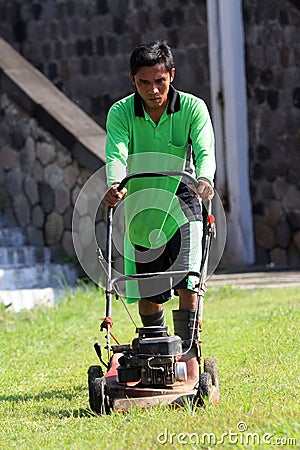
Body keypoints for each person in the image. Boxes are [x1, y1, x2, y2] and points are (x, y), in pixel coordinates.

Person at [104, 40, 215, 383]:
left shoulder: (193, 108)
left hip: (183, 200)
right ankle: (156, 353)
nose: (153, 90)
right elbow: (116, 153)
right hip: (142, 208)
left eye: (160, 81)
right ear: (132, 81)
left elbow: (205, 148)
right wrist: (115, 184)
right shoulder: (121, 112)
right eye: (144, 83)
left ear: (172, 75)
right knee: (148, 289)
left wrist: (205, 178)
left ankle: (189, 356)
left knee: (188, 282)